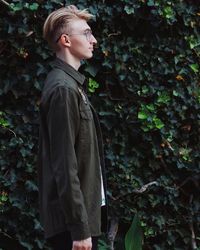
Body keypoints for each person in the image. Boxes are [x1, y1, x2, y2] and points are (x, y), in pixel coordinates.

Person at [38, 5, 107, 250]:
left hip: (81, 221)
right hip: (73, 228)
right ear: (66, 40)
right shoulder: (63, 89)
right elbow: (65, 165)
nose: (94, 40)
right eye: (87, 33)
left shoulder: (70, 85)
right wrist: (79, 229)